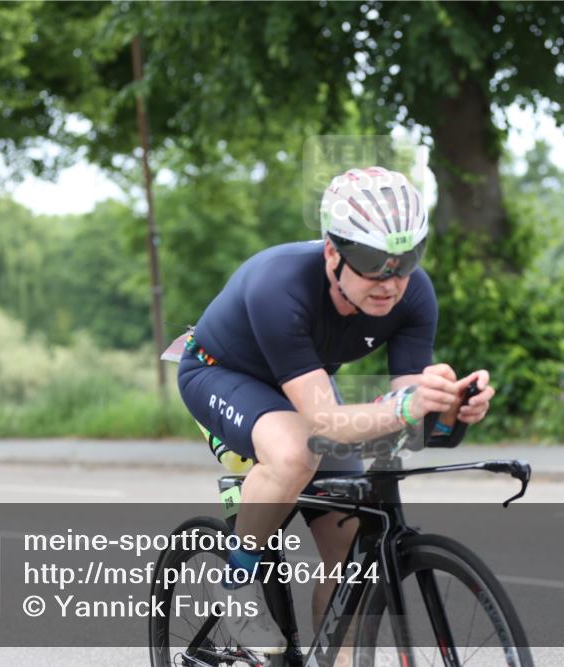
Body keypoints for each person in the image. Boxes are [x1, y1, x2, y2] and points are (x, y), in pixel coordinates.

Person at [177, 166, 496, 655]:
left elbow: (404, 419)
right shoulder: (280, 285)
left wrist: (448, 409)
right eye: (372, 261)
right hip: (220, 372)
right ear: (332, 252)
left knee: (352, 560)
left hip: (302, 382)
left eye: (406, 260)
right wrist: (406, 407)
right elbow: (324, 423)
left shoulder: (414, 293)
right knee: (294, 453)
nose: (390, 281)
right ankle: (236, 584)